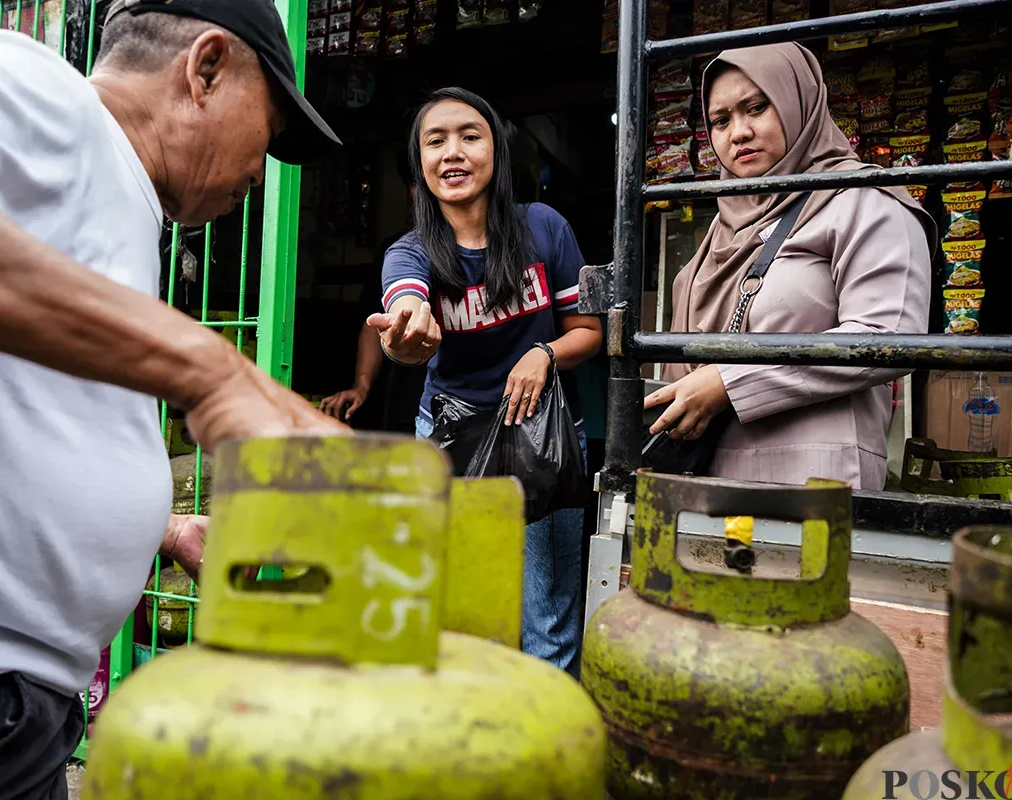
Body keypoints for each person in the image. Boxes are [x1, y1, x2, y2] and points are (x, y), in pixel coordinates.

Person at [0, 0, 345, 796]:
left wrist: (164, 530)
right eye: (266, 133)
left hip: (7, 711)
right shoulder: (40, 90)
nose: (257, 171)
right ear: (205, 70)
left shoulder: (121, 201)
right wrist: (209, 368)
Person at [371, 87, 603, 677]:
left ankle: (546, 751)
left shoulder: (543, 228)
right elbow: (406, 310)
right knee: (464, 606)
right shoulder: (410, 251)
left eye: (470, 136)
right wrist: (404, 338)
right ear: (419, 162)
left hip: (544, 437)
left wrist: (544, 353)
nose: (453, 152)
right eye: (436, 140)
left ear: (497, 149)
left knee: (547, 613)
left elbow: (588, 332)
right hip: (453, 438)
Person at [643, 43, 936, 491]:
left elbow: (889, 337)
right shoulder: (722, 230)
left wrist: (730, 380)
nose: (738, 133)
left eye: (756, 108)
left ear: (799, 102)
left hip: (815, 481)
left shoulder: (861, 203)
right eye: (720, 121)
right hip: (706, 483)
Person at [319, 151, 426, 433]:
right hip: (413, 406)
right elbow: (372, 321)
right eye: (415, 183)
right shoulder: (397, 250)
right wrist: (362, 385)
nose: (422, 191)